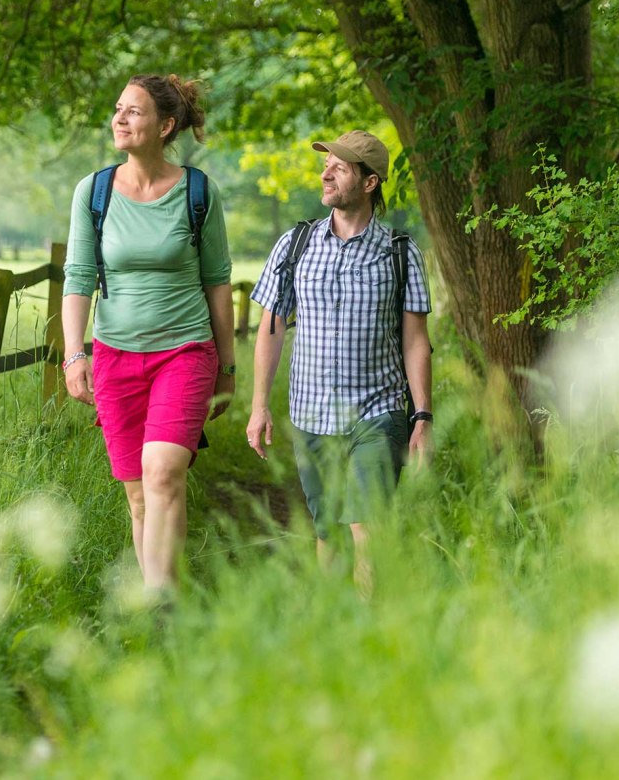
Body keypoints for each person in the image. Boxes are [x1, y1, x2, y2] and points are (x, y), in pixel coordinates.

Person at [61, 74, 235, 597]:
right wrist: (74, 355)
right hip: (115, 358)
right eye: (118, 109)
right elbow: (77, 278)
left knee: (162, 473)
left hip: (184, 352)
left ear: (166, 125)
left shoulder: (198, 192)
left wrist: (227, 368)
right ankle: (162, 602)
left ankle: (162, 606)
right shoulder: (93, 193)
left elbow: (217, 283)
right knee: (139, 496)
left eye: (134, 111)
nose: (119, 118)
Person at [244, 129, 432, 596]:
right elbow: (272, 328)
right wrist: (259, 405)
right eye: (326, 164)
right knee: (327, 528)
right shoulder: (296, 245)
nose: (325, 173)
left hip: (378, 412)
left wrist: (422, 415)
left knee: (366, 527)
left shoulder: (399, 252)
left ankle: (368, 627)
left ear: (369, 183)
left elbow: (415, 341)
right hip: (310, 414)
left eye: (339, 168)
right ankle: (331, 626)